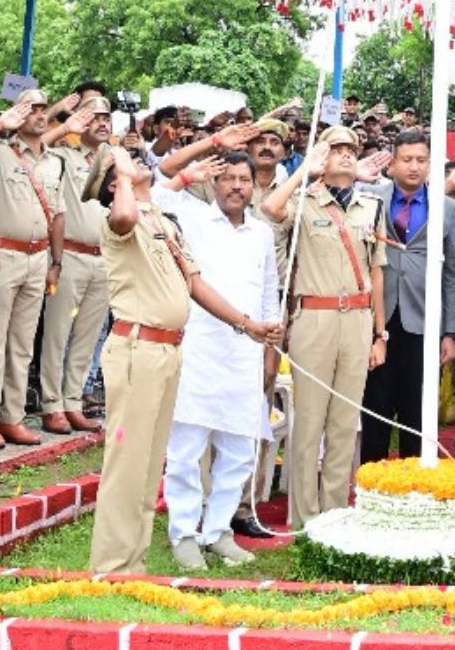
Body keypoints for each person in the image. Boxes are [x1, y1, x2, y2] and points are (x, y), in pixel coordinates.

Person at [83, 146, 281, 575]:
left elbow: (195, 283)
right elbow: (122, 217)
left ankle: (133, 559)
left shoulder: (162, 221)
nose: (141, 163)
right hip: (141, 348)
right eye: (131, 162)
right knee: (134, 461)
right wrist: (121, 171)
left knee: (150, 460)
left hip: (171, 349)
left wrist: (248, 325)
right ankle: (117, 564)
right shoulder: (125, 218)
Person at [154, 151, 279, 569]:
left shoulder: (261, 233)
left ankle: (219, 529)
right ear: (215, 183)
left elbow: (268, 291)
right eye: (227, 179)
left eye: (244, 179)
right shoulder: (192, 218)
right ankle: (184, 533)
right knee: (187, 448)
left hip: (246, 352)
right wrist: (186, 176)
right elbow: (154, 198)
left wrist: (268, 346)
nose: (236, 186)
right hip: (200, 348)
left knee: (240, 448)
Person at [261, 127, 389, 526]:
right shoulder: (303, 202)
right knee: (310, 422)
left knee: (345, 423)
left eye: (352, 149)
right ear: (321, 156)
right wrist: (305, 172)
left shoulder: (371, 206)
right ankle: (304, 518)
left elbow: (377, 272)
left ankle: (334, 516)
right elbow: (269, 209)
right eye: (337, 150)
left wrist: (379, 334)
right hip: (313, 317)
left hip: (358, 318)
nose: (347, 155)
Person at [359, 131, 455, 462]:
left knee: (416, 411)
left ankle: (412, 488)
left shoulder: (446, 207)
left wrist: (450, 331)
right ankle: (372, 485)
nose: (414, 167)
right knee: (375, 407)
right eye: (407, 160)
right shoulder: (371, 197)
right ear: (392, 163)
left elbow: (452, 273)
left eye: (421, 160)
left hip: (424, 318)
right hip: (378, 318)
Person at [0, 91, 65, 451]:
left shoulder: (54, 161)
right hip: (5, 253)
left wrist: (56, 263)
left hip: (38, 256)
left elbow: (58, 215)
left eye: (43, 108)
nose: (39, 115)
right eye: (31, 108)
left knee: (22, 344)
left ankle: (13, 417)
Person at [37, 95, 113, 435]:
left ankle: (73, 402)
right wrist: (64, 124)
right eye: (92, 116)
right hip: (70, 254)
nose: (101, 122)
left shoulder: (115, 161)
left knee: (88, 335)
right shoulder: (63, 157)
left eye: (105, 117)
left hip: (105, 258)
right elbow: (35, 143)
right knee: (57, 333)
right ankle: (51, 404)